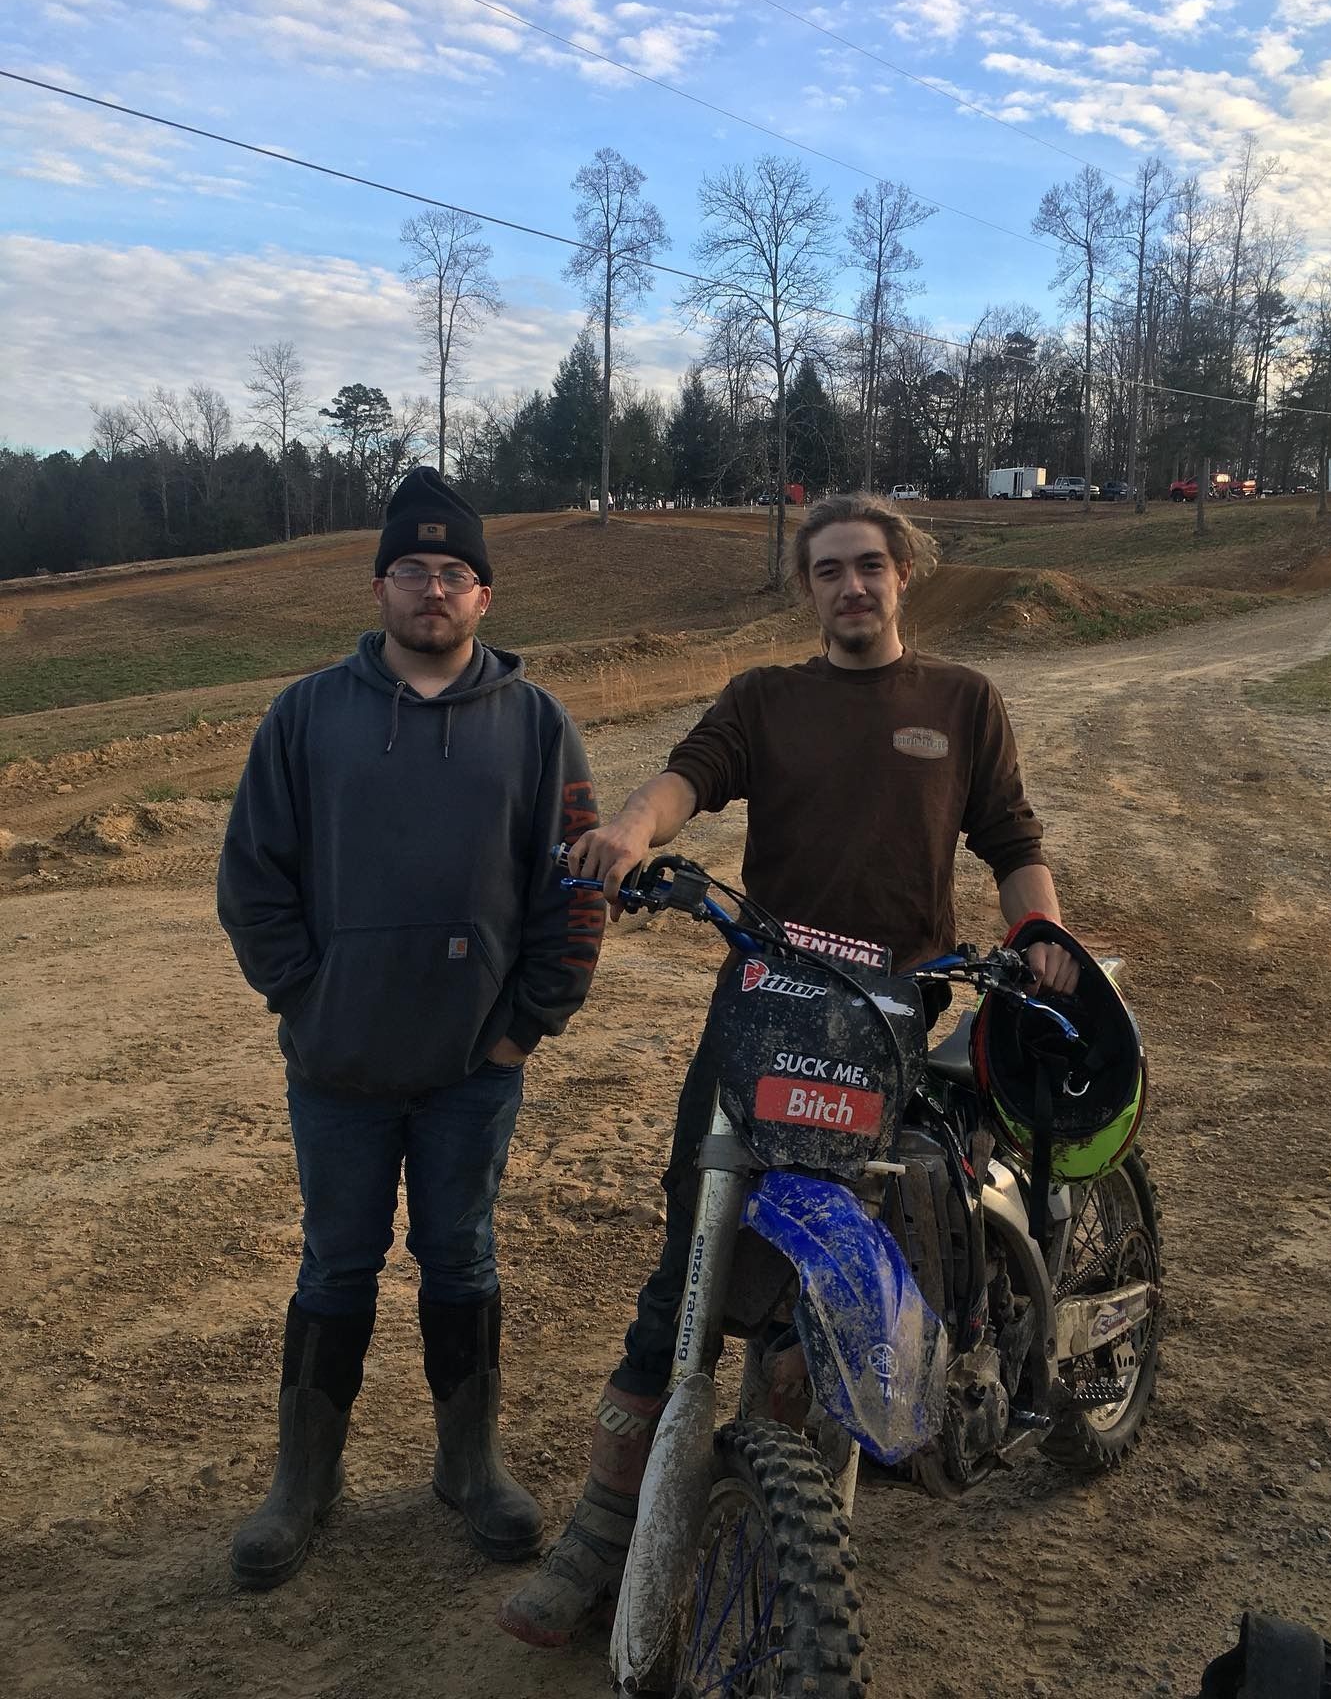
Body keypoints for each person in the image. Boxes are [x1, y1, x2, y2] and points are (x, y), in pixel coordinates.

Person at [499, 491, 1076, 1646]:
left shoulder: (964, 703)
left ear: (903, 574)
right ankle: (601, 1539)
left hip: (893, 1027)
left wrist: (1043, 941)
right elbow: (688, 775)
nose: (852, 588)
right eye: (830, 571)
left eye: (871, 566)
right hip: (762, 1012)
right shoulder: (766, 699)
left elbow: (1012, 842)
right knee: (690, 1266)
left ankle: (774, 1520)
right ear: (807, 586)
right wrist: (629, 830)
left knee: (838, 1270)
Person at [217, 467, 605, 1589]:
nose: (434, 589)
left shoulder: (537, 726)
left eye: (456, 573)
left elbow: (577, 892)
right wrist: (307, 996)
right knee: (335, 1266)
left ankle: (467, 1467)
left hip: (470, 1072)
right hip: (335, 1068)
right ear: (379, 582)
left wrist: (524, 1028)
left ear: (485, 596)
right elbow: (253, 881)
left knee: (461, 1258)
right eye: (413, 569)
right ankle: (305, 1482)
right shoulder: (305, 716)